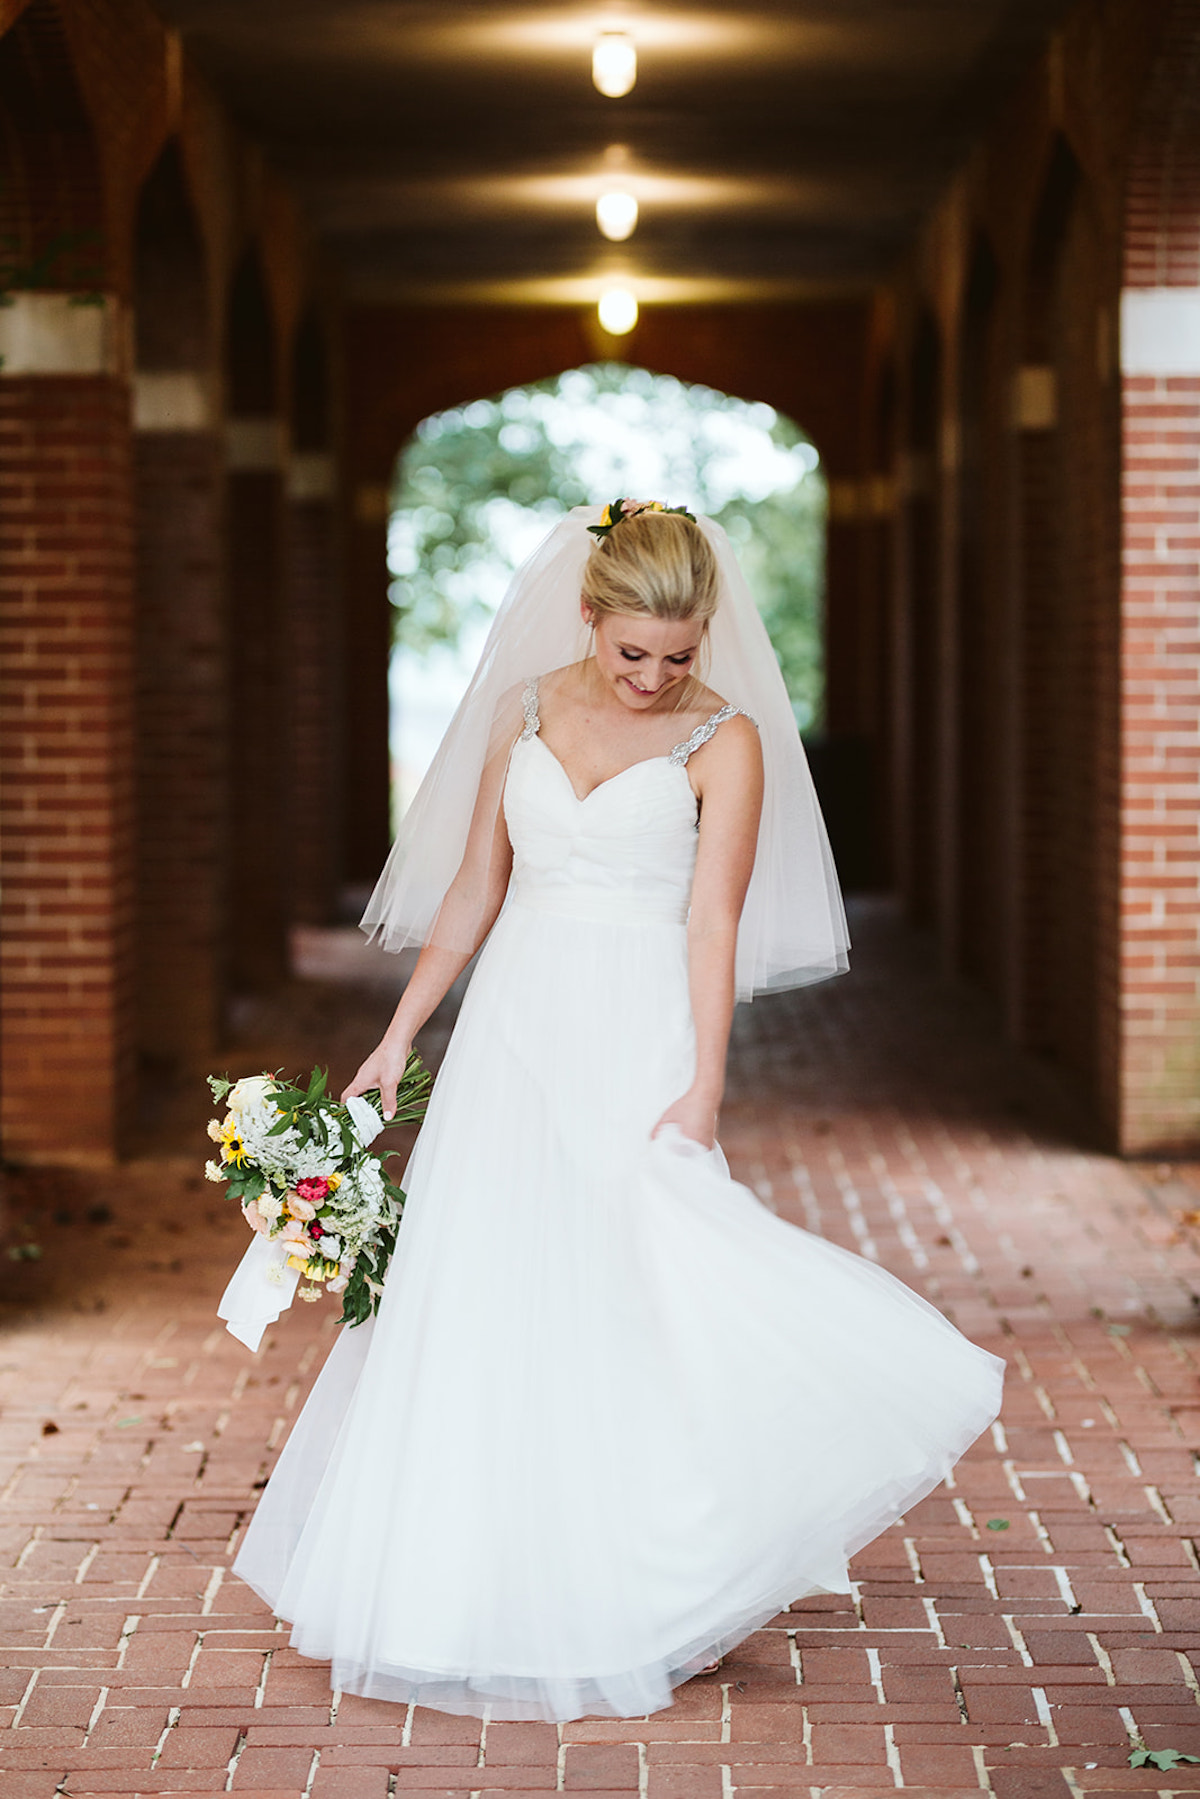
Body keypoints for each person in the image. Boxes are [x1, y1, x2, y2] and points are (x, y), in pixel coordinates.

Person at [232, 501, 1003, 1723]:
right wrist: (395, 1035)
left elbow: (712, 921)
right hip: (513, 1027)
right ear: (588, 616)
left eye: (679, 655)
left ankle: (653, 1574)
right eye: (631, 650)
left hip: (636, 1025)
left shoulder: (728, 740)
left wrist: (702, 1083)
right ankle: (464, 1569)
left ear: (708, 638)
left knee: (630, 1275)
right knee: (486, 1279)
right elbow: (479, 886)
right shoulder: (523, 708)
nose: (652, 677)